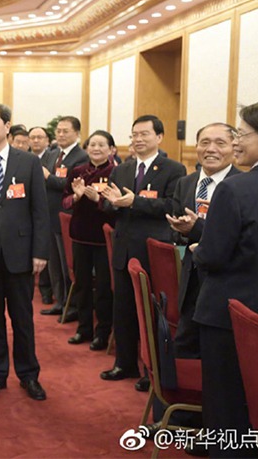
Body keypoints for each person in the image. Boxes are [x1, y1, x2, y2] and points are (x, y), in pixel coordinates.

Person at [192, 102, 258, 459]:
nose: (237, 143)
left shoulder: (237, 189)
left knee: (226, 407)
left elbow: (213, 255)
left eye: (242, 135)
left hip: (229, 314)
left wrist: (197, 249)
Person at [100, 114, 185, 386]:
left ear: (159, 137)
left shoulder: (173, 169)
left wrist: (134, 202)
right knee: (122, 310)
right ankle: (124, 364)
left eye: (144, 134)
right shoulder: (122, 168)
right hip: (124, 249)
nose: (138, 139)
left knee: (150, 313)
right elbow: (108, 206)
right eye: (134, 135)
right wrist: (112, 203)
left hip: (152, 251)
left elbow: (172, 206)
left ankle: (153, 372)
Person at [0, 102, 49, 402]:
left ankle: (29, 374)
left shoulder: (27, 162)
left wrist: (40, 252)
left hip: (21, 254)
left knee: (22, 319)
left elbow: (40, 211)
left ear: (7, 126)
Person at [166, 123, 239, 358]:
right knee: (185, 344)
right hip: (190, 278)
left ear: (234, 147)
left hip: (225, 282)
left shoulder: (241, 186)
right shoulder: (186, 183)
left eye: (220, 143)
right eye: (204, 142)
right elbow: (176, 233)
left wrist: (197, 229)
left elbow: (235, 238)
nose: (211, 149)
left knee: (218, 353)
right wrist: (181, 230)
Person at [61, 130, 117, 350]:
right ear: (86, 148)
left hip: (104, 239)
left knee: (103, 287)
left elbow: (116, 209)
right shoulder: (78, 171)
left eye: (102, 145)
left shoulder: (116, 172)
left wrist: (97, 200)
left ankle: (102, 333)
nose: (96, 148)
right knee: (82, 285)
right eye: (92, 144)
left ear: (111, 149)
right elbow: (64, 200)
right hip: (80, 235)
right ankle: (83, 329)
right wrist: (76, 196)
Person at [40, 116, 88, 320]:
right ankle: (60, 301)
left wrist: (49, 178)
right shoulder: (51, 155)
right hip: (49, 215)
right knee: (54, 264)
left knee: (67, 264)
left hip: (68, 216)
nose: (60, 134)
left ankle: (73, 305)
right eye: (58, 131)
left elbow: (69, 185)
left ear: (77, 133)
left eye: (65, 131)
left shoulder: (81, 157)